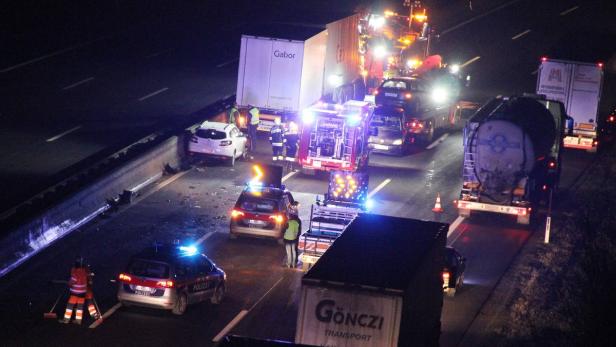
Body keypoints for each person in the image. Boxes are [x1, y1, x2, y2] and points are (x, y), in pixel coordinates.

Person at [61, 257, 88, 324]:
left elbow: (72, 282)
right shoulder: (84, 272)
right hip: (83, 293)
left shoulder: (75, 272)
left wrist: (69, 283)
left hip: (75, 293)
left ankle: (66, 320)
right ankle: (78, 320)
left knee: (70, 306)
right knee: (80, 307)